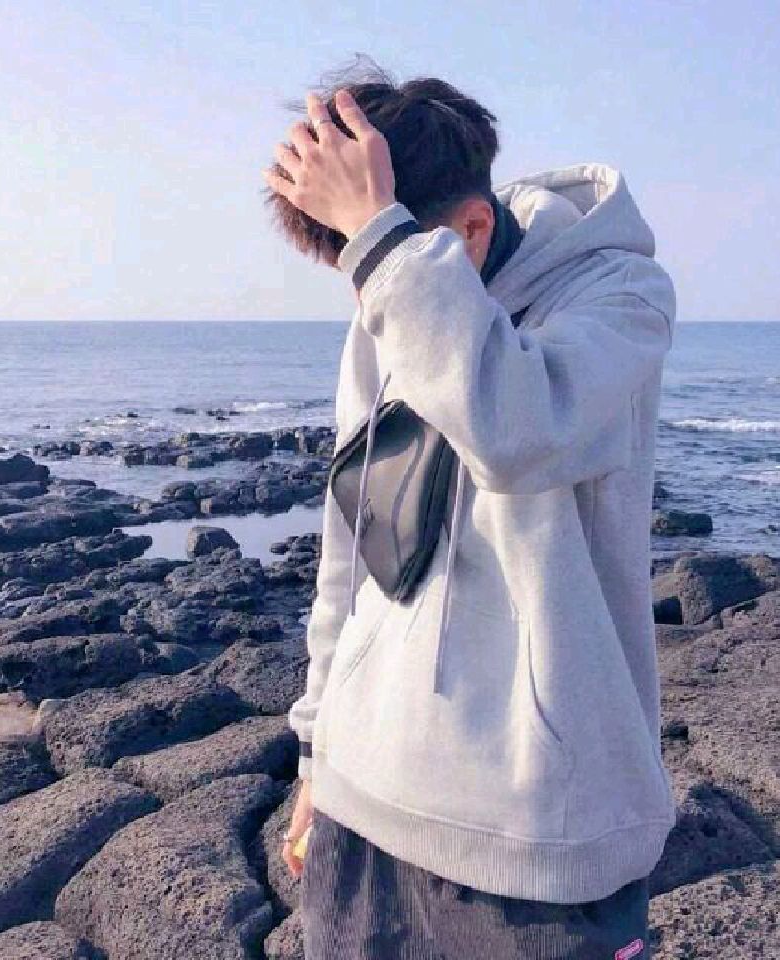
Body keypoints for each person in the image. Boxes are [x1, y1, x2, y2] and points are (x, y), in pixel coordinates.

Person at [263, 54, 677, 960]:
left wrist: (385, 246)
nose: (361, 287)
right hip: (362, 803)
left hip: (538, 839)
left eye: (363, 251)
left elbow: (516, 431)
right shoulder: (389, 290)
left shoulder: (620, 297)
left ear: (473, 228)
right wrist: (317, 755)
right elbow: (353, 552)